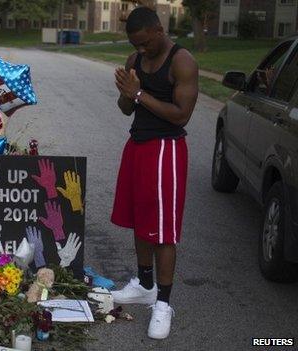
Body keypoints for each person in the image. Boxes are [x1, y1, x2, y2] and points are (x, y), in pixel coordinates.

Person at [110, 6, 198, 340]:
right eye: (136, 45)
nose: (141, 50)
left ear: (159, 30)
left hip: (167, 150)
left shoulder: (182, 61)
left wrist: (139, 93)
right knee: (139, 220)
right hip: (138, 146)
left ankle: (163, 303)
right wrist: (125, 91)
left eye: (145, 43)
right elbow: (125, 109)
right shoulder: (135, 60)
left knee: (163, 231)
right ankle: (145, 284)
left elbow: (181, 115)